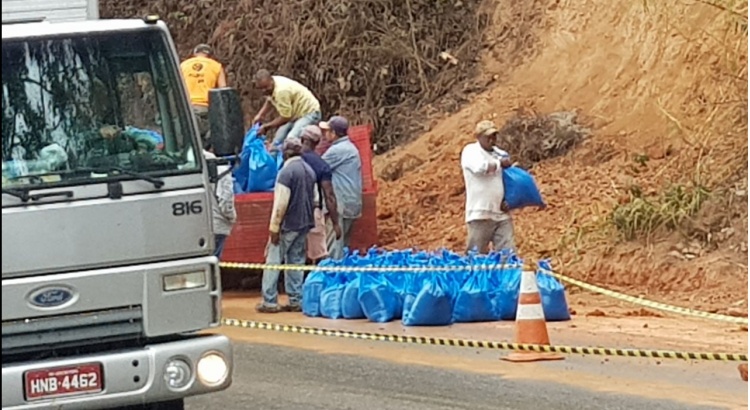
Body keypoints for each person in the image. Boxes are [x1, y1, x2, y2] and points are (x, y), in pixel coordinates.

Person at [257, 137, 317, 313]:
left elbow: (280, 204)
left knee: (273, 261)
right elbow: (315, 200)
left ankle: (269, 301)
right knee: (296, 262)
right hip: (304, 223)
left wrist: (274, 229)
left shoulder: (286, 173)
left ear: (286, 153)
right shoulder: (309, 171)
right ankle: (295, 299)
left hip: (287, 225)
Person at [461, 120, 515, 254]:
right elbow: (480, 168)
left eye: (494, 136)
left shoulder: (500, 153)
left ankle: (506, 274)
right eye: (488, 137)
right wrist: (499, 164)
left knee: (508, 255)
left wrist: (511, 200)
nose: (492, 140)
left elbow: (509, 178)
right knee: (476, 255)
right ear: (478, 137)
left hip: (501, 214)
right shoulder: (471, 151)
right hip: (480, 213)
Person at [320, 116, 362, 260]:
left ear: (334, 133)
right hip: (351, 203)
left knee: (333, 251)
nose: (324, 134)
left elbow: (317, 168)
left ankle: (332, 279)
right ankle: (340, 279)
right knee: (343, 248)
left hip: (340, 205)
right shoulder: (350, 147)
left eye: (327, 131)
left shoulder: (337, 151)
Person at [299, 125, 342, 262]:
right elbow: (329, 195)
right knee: (318, 255)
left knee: (294, 255)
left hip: (292, 213)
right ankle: (315, 281)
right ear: (317, 143)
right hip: (313, 212)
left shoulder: (290, 159)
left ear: (302, 139)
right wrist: (335, 223)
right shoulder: (321, 165)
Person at [252, 70, 322, 149]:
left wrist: (266, 127)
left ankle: (296, 160)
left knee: (291, 140)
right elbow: (270, 100)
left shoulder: (281, 92)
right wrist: (260, 115)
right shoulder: (272, 84)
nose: (264, 90)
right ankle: (273, 159)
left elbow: (286, 117)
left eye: (266, 87)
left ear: (271, 80)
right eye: (261, 88)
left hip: (309, 112)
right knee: (277, 141)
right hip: (295, 114)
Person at [180, 44, 228, 138]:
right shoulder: (216, 66)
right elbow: (223, 91)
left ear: (195, 53)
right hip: (207, 108)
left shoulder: (183, 65)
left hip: (186, 107)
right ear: (209, 55)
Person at [203, 139, 237, 258]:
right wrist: (232, 217)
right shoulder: (221, 170)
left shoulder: (189, 165)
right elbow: (225, 201)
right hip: (217, 225)